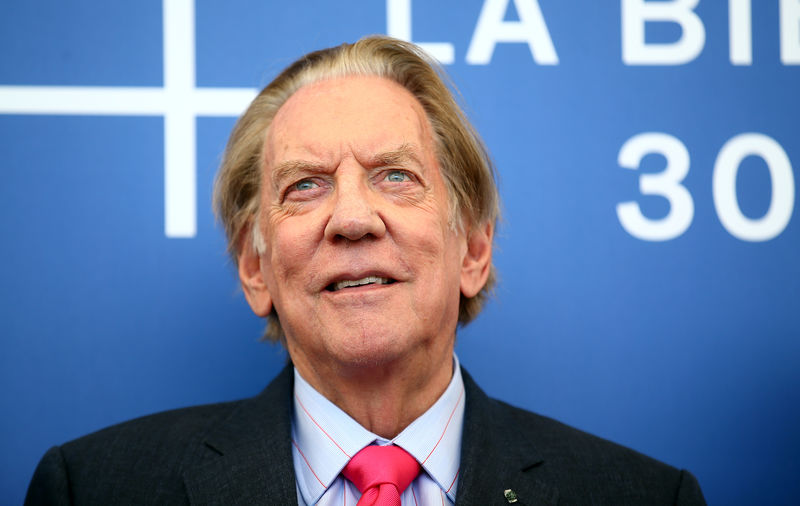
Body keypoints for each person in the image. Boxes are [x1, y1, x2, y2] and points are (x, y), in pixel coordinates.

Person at [25, 36, 706, 505]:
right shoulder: (93, 488)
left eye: (396, 176)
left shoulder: (640, 495)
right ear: (255, 266)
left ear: (473, 249)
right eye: (306, 186)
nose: (352, 218)